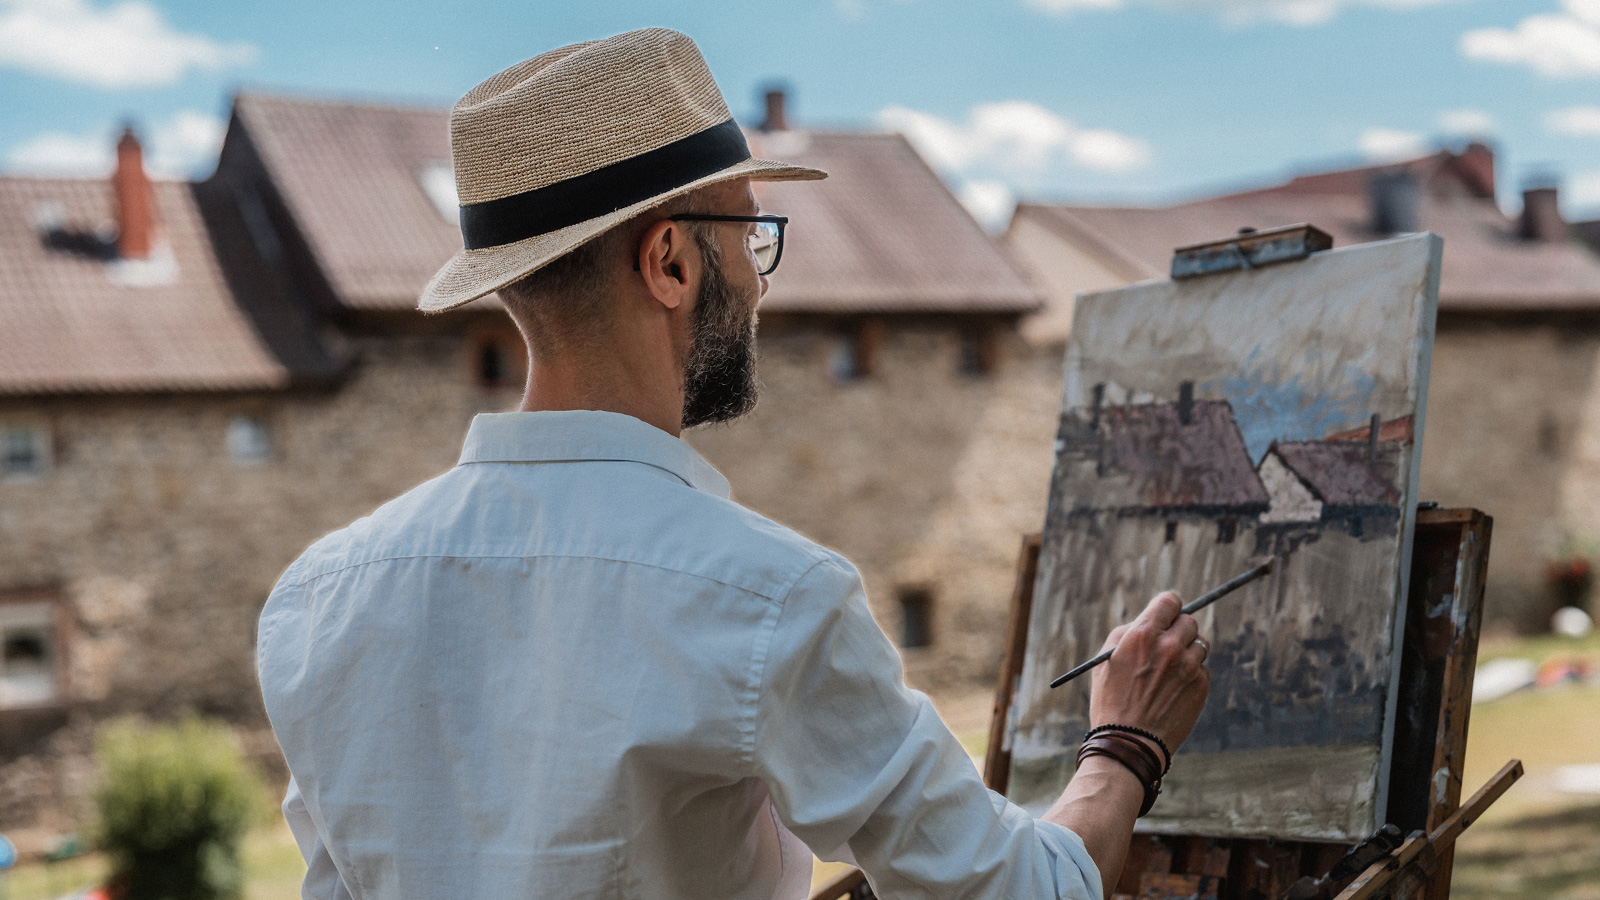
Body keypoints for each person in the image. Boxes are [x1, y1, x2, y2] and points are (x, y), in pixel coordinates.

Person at [256, 28, 1211, 900]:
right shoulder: (764, 598)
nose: (758, 278)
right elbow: (1025, 892)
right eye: (753, 235)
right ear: (669, 260)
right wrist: (1123, 745)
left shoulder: (318, 600)